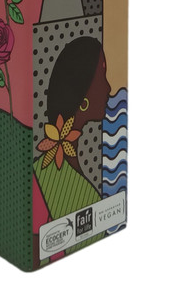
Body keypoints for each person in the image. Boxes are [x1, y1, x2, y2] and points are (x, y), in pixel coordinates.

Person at [32, 37, 111, 262]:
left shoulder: (55, 172)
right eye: (102, 75)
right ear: (82, 97)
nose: (109, 87)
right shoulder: (44, 178)